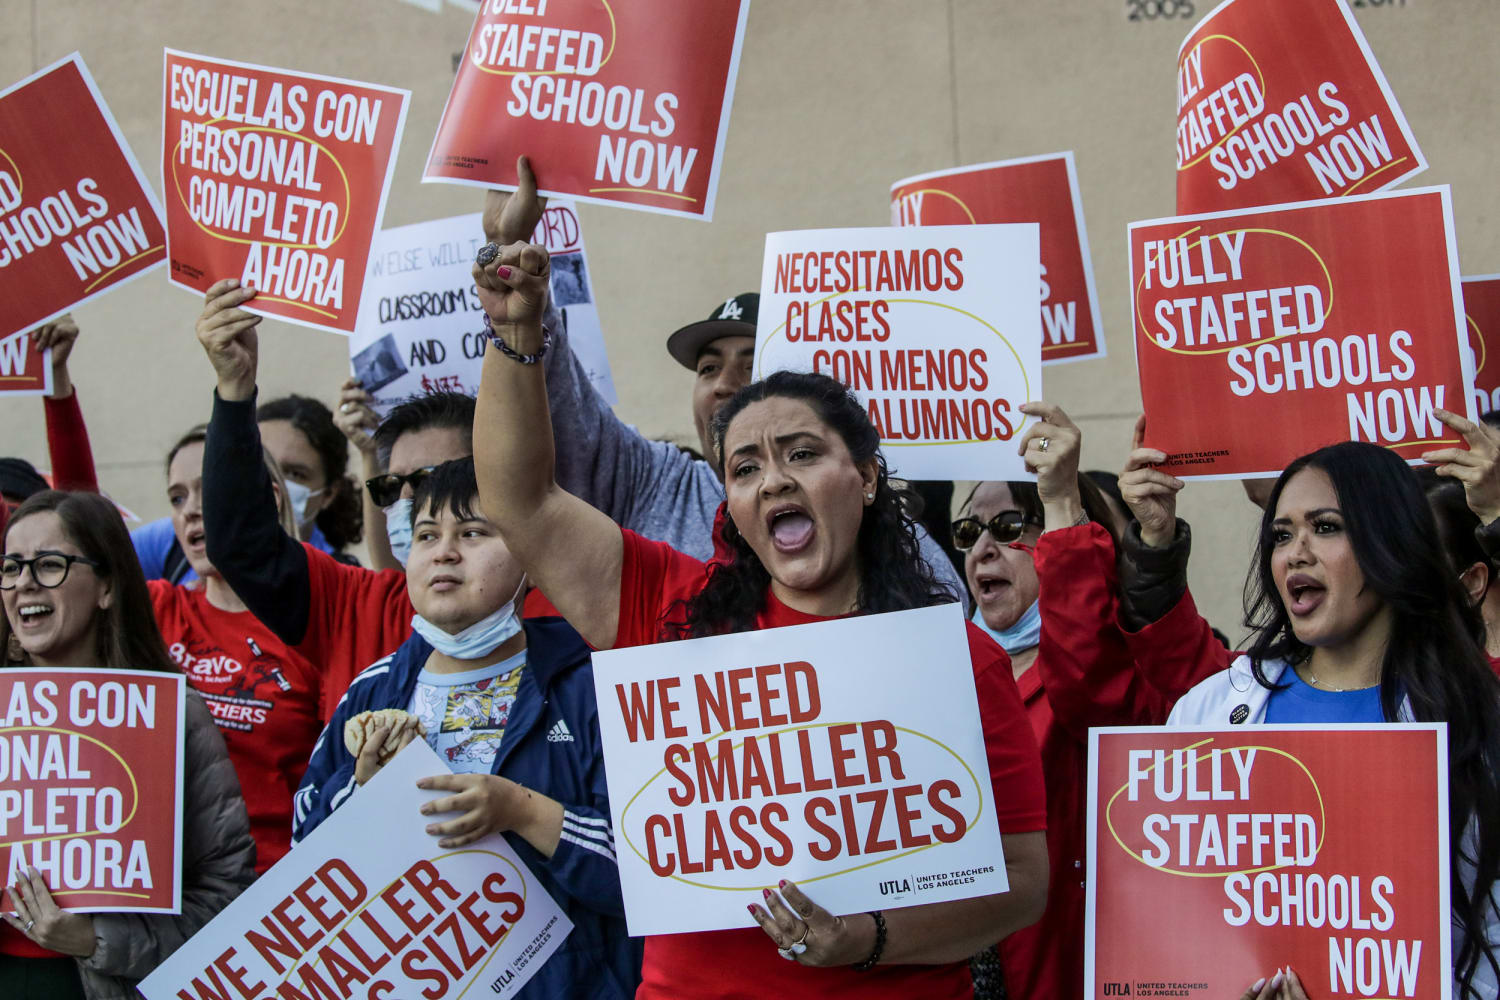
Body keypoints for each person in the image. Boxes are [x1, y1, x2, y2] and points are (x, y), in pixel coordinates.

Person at [468, 240, 1047, 998]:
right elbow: (519, 501)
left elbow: (1023, 881)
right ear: (734, 508)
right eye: (745, 468)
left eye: (801, 454)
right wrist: (516, 333)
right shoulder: (673, 614)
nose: (772, 477)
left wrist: (865, 940)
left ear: (867, 478)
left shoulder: (955, 658)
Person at [475, 159, 967, 606]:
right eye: (707, 368)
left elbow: (954, 642)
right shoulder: (656, 491)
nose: (723, 387)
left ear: (863, 479)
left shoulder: (892, 541)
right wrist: (513, 285)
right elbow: (561, 429)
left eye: (750, 368)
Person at [1156, 441, 1500, 998]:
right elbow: (1174, 925)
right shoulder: (1209, 711)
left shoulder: (1472, 720)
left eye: (1327, 527)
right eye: (1282, 535)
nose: (1296, 553)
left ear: (1393, 541)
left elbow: (1490, 933)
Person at [294, 458, 640, 998]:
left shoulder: (590, 681)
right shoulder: (373, 689)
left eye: (474, 532)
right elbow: (303, 873)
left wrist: (521, 810)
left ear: (531, 556)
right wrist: (364, 786)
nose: (444, 552)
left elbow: (650, 871)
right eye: (426, 534)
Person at [958, 405, 1220, 1000]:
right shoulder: (948, 673)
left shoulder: (1108, 676)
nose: (982, 550)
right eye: (968, 532)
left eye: (1008, 526)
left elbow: (1090, 686)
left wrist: (1059, 503)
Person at [0, 491, 256, 1000]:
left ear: (107, 587)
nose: (24, 582)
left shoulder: (173, 716)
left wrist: (95, 940)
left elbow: (226, 899)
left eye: (49, 564)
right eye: (10, 567)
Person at [146, 425, 328, 872]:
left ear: (269, 496)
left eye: (208, 489)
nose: (191, 510)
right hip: (166, 886)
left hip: (272, 889)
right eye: (176, 497)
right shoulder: (154, 608)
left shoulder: (314, 623)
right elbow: (80, 537)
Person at [133, 392, 362, 583]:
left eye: (295, 473)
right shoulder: (174, 539)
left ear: (329, 493)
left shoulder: (339, 581)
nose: (273, 482)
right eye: (259, 463)